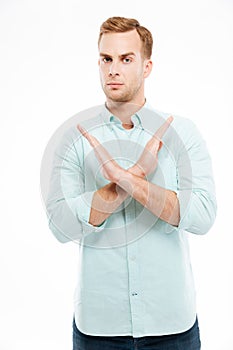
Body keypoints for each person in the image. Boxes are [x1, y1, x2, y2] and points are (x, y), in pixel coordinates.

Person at [45, 16, 217, 350]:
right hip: (99, 330)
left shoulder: (182, 133)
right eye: (106, 59)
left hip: (173, 327)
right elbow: (60, 225)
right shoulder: (75, 139)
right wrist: (131, 178)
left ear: (147, 66)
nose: (113, 69)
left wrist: (127, 179)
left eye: (126, 59)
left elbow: (203, 215)